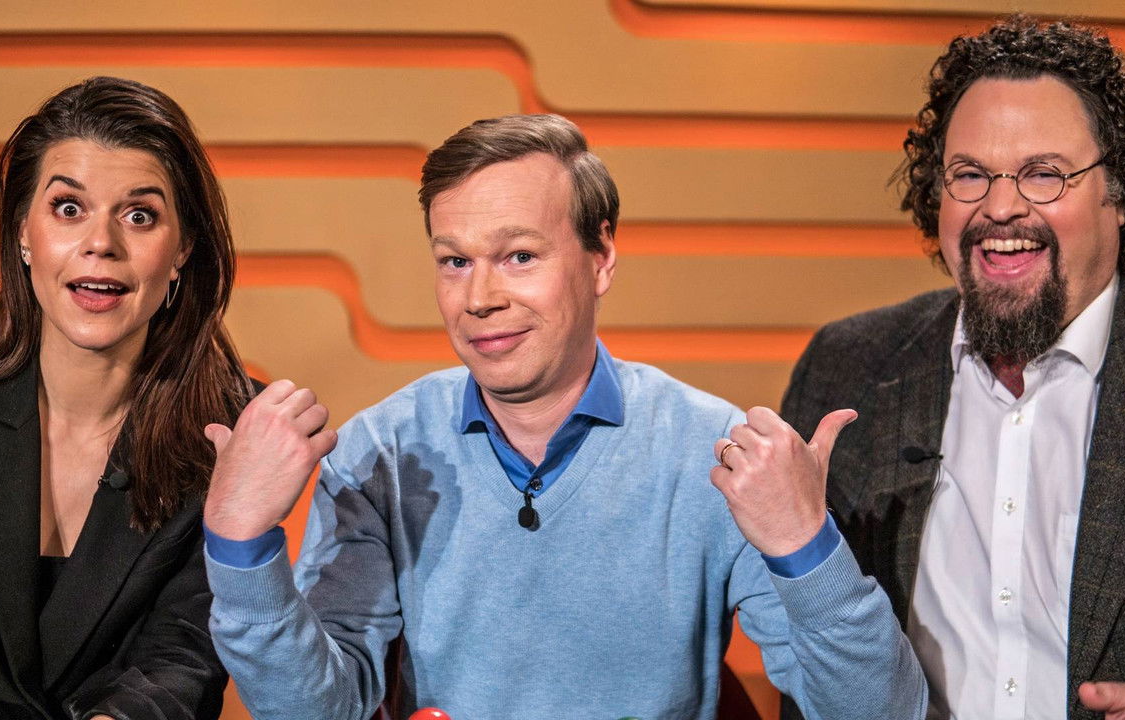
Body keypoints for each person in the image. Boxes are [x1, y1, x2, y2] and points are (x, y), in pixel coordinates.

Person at [201, 113, 926, 719]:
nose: (479, 298)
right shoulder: (381, 452)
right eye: (455, 262)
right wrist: (241, 544)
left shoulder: (711, 451)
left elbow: (877, 713)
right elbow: (316, 711)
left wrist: (806, 549)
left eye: (519, 256)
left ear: (601, 256)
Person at [779, 15, 1125, 720]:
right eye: (969, 175)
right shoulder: (847, 368)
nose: (1000, 207)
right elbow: (808, 659)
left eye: (1044, 174)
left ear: (1119, 192)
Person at [0, 76, 252, 720]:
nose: (101, 243)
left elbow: (181, 664)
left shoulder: (231, 432)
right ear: (22, 231)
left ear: (182, 250)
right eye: (68, 208)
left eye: (139, 216)